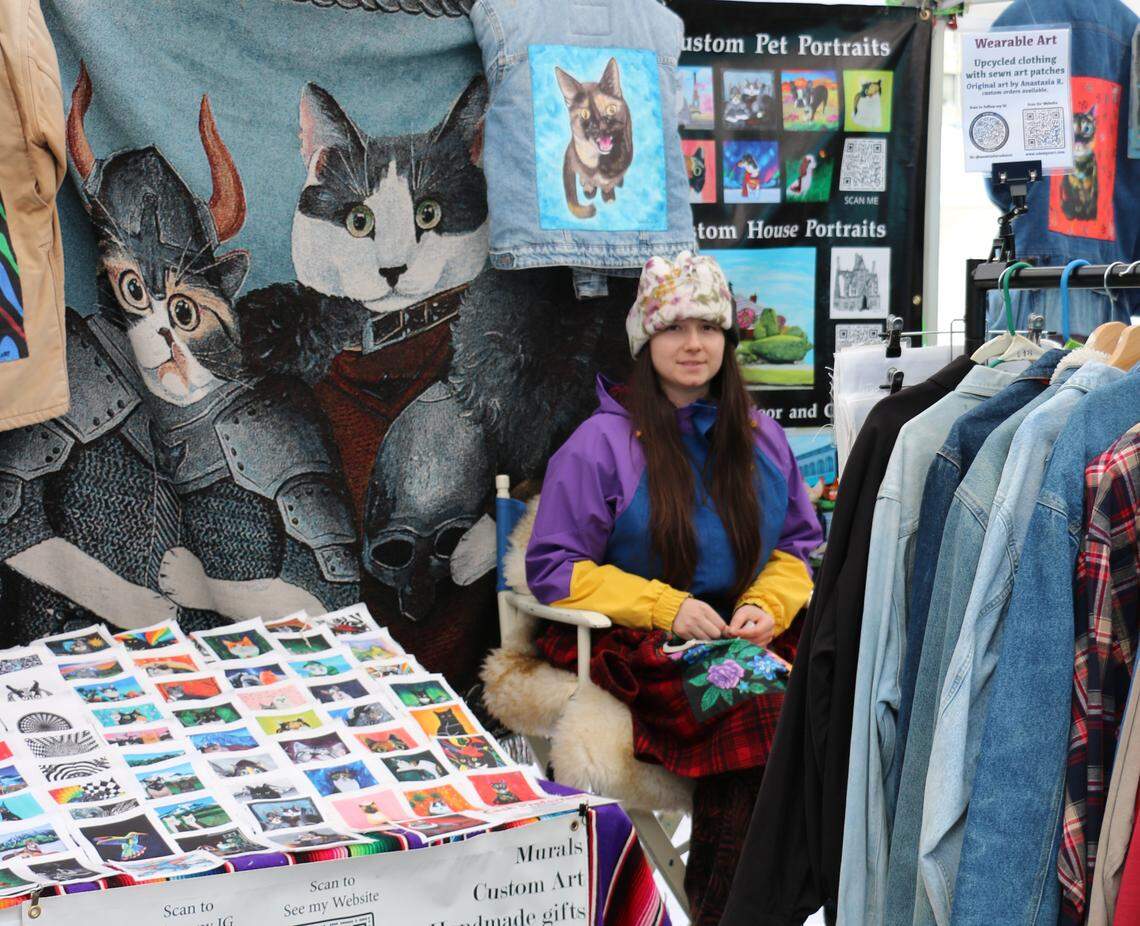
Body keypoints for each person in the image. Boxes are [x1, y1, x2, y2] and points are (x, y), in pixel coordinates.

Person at [525, 252, 821, 925]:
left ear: (729, 340)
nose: (694, 344)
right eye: (675, 327)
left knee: (827, 704)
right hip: (636, 640)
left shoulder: (761, 438)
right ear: (645, 340)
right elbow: (554, 570)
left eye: (710, 327)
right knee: (762, 711)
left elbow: (797, 548)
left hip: (736, 631)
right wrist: (667, 607)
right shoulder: (600, 444)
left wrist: (764, 605)